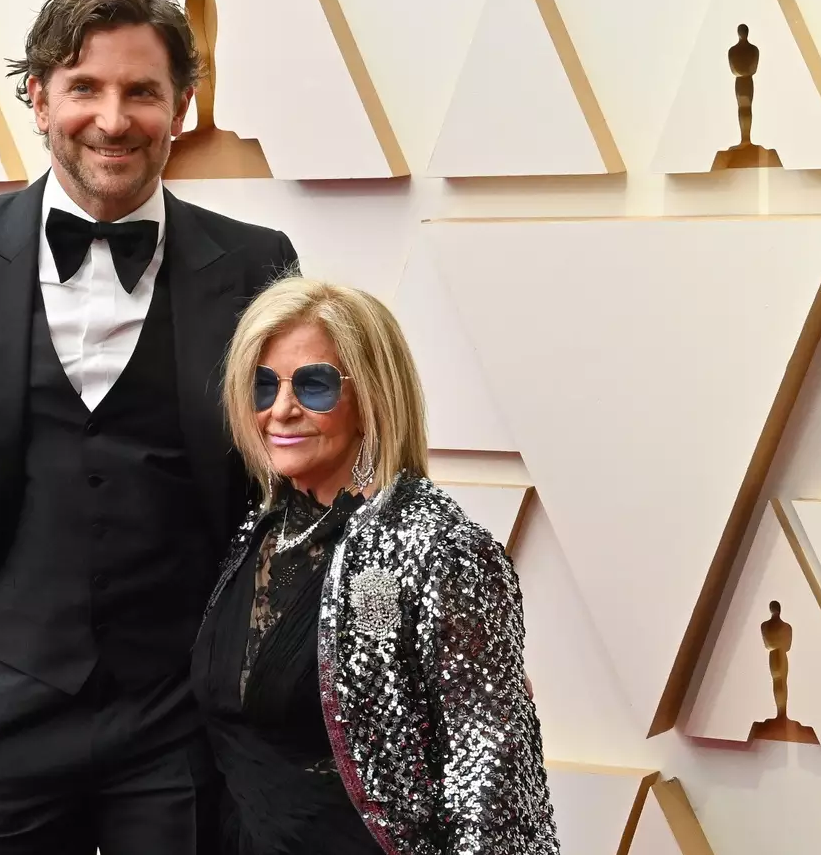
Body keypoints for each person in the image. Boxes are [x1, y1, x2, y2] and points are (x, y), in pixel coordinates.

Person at [0, 0, 298, 855]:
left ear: (182, 105)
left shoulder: (256, 264)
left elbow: (297, 490)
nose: (114, 119)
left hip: (178, 729)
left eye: (142, 92)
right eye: (84, 87)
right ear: (39, 98)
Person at [191, 276, 560, 854]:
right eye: (263, 386)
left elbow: (491, 786)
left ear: (372, 397)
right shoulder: (257, 530)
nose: (281, 410)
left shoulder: (439, 547)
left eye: (313, 386)